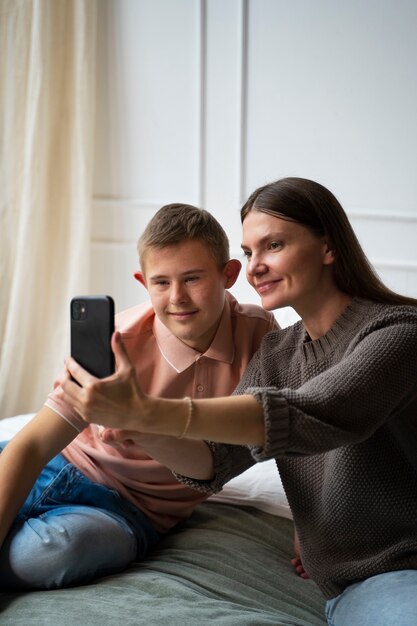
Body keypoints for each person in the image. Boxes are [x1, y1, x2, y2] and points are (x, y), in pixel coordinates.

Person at [62, 178, 417, 626]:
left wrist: (145, 411)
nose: (255, 268)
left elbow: (315, 411)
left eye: (273, 246)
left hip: (403, 570)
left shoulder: (398, 333)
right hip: (351, 589)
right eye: (250, 253)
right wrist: (138, 428)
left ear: (328, 248)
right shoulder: (277, 353)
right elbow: (212, 461)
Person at [0, 203, 278, 590]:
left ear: (228, 274)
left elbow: (287, 429)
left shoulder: (260, 335)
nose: (177, 297)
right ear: (143, 282)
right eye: (161, 282)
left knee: (47, 556)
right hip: (58, 464)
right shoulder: (118, 340)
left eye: (193, 278)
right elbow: (30, 446)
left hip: (129, 511)